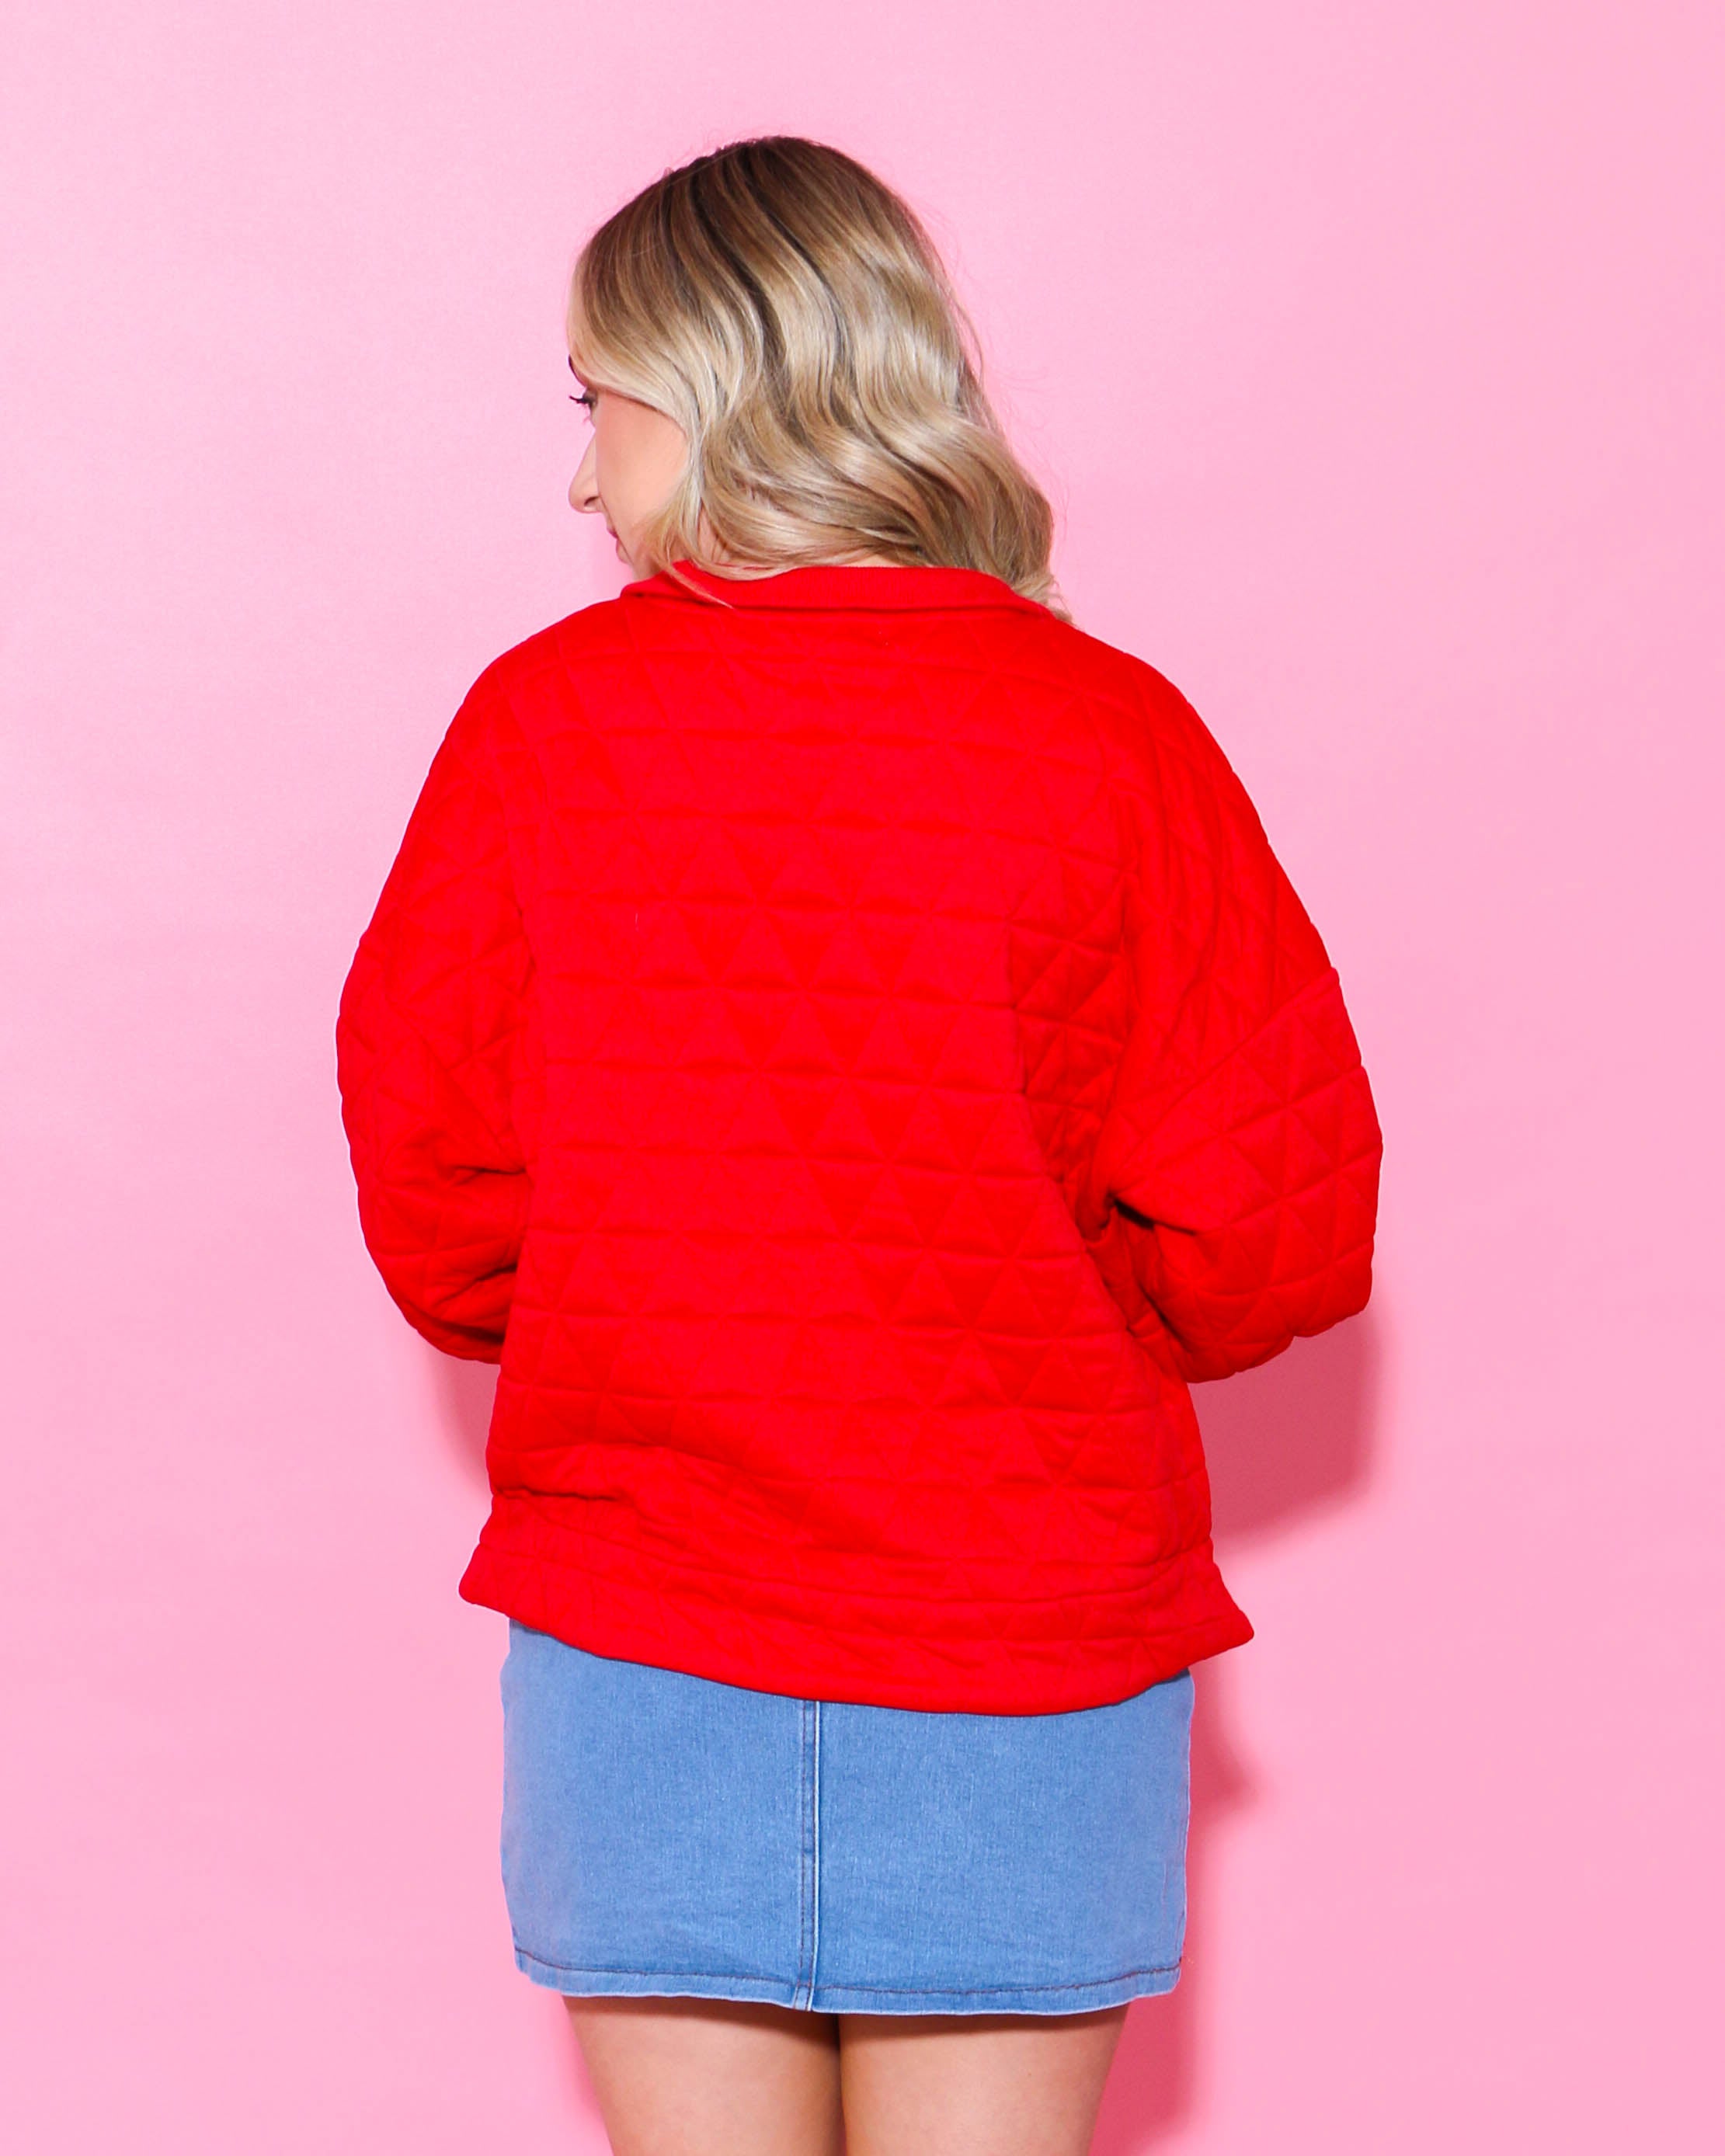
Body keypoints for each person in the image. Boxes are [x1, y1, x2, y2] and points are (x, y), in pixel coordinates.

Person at [335, 134, 1382, 2156]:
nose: (582, 477)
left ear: (717, 386)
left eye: (599, 402)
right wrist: (1040, 1316)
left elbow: (439, 1193)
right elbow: (1272, 1232)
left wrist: (646, 1302)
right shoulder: (1115, 736)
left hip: (648, 1624)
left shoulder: (540, 726)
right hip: (1029, 1635)